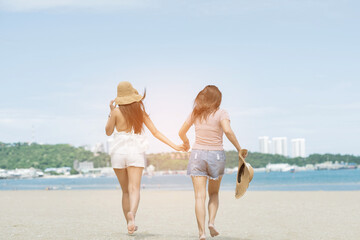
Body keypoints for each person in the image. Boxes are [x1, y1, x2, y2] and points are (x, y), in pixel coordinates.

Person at [105, 81, 184, 234]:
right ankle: (132, 215)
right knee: (134, 189)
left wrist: (110, 111)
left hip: (118, 153)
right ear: (133, 96)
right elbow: (156, 132)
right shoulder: (140, 112)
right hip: (135, 151)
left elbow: (108, 132)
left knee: (125, 191)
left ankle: (129, 224)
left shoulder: (115, 112)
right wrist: (175, 146)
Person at [179, 85, 247, 240]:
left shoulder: (195, 113)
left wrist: (186, 142)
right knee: (214, 193)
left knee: (199, 197)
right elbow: (228, 131)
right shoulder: (221, 113)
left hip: (197, 155)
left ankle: (201, 233)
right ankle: (211, 223)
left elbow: (181, 132)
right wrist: (239, 148)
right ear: (218, 99)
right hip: (216, 155)